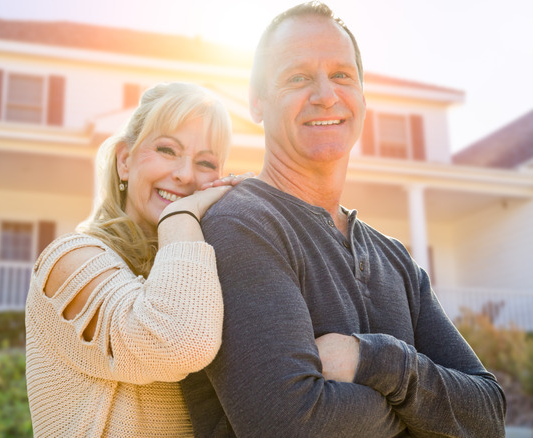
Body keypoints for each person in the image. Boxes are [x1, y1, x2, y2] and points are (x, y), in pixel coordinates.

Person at [181, 3, 506, 437]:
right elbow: (290, 425)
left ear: (363, 96)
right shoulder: (241, 226)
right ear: (257, 102)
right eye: (298, 77)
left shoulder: (395, 260)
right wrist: (423, 418)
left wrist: (374, 360)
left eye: (341, 75)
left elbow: (487, 415)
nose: (325, 95)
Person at [25, 82, 247, 437]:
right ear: (125, 161)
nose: (186, 175)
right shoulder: (68, 262)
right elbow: (179, 342)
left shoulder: (206, 277)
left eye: (205, 162)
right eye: (167, 149)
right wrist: (181, 216)